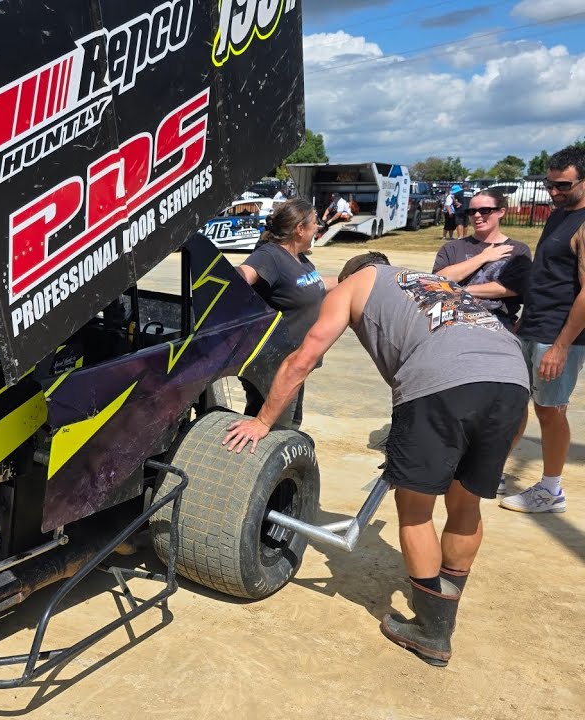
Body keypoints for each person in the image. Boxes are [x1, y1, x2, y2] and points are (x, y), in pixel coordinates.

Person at [223, 251, 528, 667]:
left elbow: (303, 357)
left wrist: (262, 421)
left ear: (354, 273)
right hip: (512, 382)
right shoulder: (431, 282)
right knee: (465, 502)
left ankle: (431, 631)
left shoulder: (355, 285)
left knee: (415, 510)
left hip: (441, 385)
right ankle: (446, 605)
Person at [501, 146, 585, 514]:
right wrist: (525, 319)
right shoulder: (559, 215)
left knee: (550, 410)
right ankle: (494, 468)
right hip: (536, 325)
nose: (553, 192)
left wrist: (561, 346)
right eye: (549, 184)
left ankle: (551, 490)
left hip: (559, 334)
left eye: (563, 185)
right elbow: (549, 275)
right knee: (516, 400)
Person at [235, 199, 332, 427]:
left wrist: (354, 279)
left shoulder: (300, 258)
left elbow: (314, 284)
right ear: (300, 229)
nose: (318, 228)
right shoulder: (270, 255)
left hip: (296, 360)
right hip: (273, 364)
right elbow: (241, 277)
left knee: (291, 424)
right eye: (314, 223)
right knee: (270, 428)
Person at [432, 189, 532, 331]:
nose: (477, 216)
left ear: (501, 212)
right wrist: (483, 257)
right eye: (471, 212)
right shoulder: (453, 248)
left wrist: (460, 290)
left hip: (497, 325)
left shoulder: (518, 249)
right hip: (453, 325)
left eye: (484, 210)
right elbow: (438, 281)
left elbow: (511, 288)